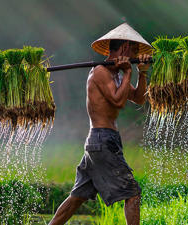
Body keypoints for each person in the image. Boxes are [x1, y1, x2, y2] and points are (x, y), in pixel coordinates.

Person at [49, 23, 152, 225]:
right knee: (133, 195)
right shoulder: (100, 72)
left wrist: (142, 73)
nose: (137, 53)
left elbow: (139, 99)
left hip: (102, 141)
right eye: (135, 49)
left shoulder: (117, 74)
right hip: (103, 140)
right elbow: (117, 101)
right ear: (124, 48)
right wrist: (129, 72)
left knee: (77, 197)